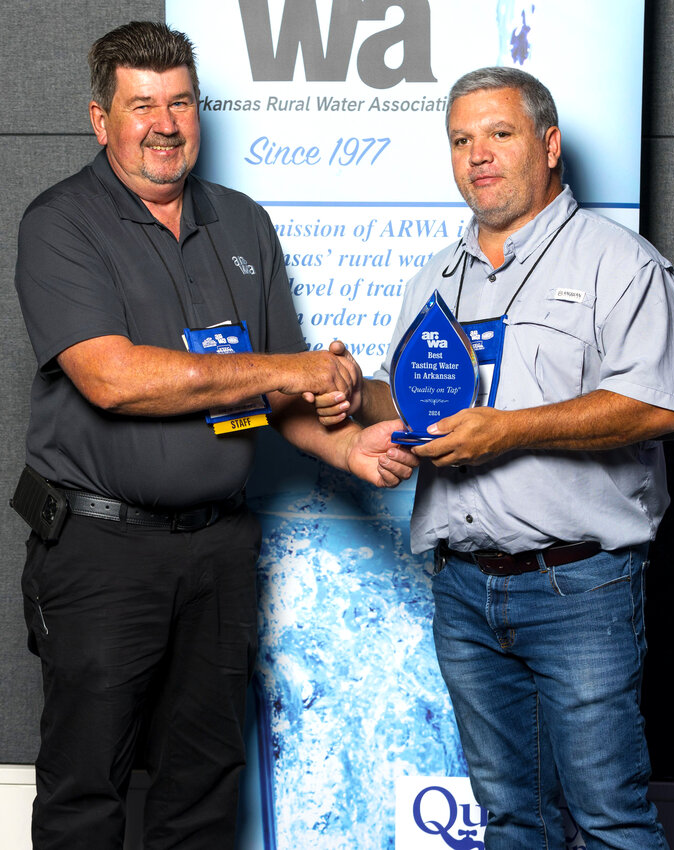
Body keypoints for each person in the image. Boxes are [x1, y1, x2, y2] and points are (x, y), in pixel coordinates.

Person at [14, 20, 416, 850]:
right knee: (87, 789)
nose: (166, 123)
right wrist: (290, 368)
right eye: (142, 105)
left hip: (219, 550)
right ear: (101, 120)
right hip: (100, 553)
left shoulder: (241, 223)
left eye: (182, 102)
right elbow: (114, 378)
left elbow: (279, 399)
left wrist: (347, 447)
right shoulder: (59, 223)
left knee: (203, 788)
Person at [315, 67, 674, 848]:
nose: (477, 154)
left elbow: (658, 404)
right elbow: (419, 409)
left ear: (548, 146)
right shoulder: (434, 278)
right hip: (463, 591)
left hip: (579, 586)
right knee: (510, 822)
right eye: (460, 140)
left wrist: (506, 430)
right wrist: (353, 397)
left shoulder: (618, 263)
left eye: (499, 133)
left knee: (609, 821)